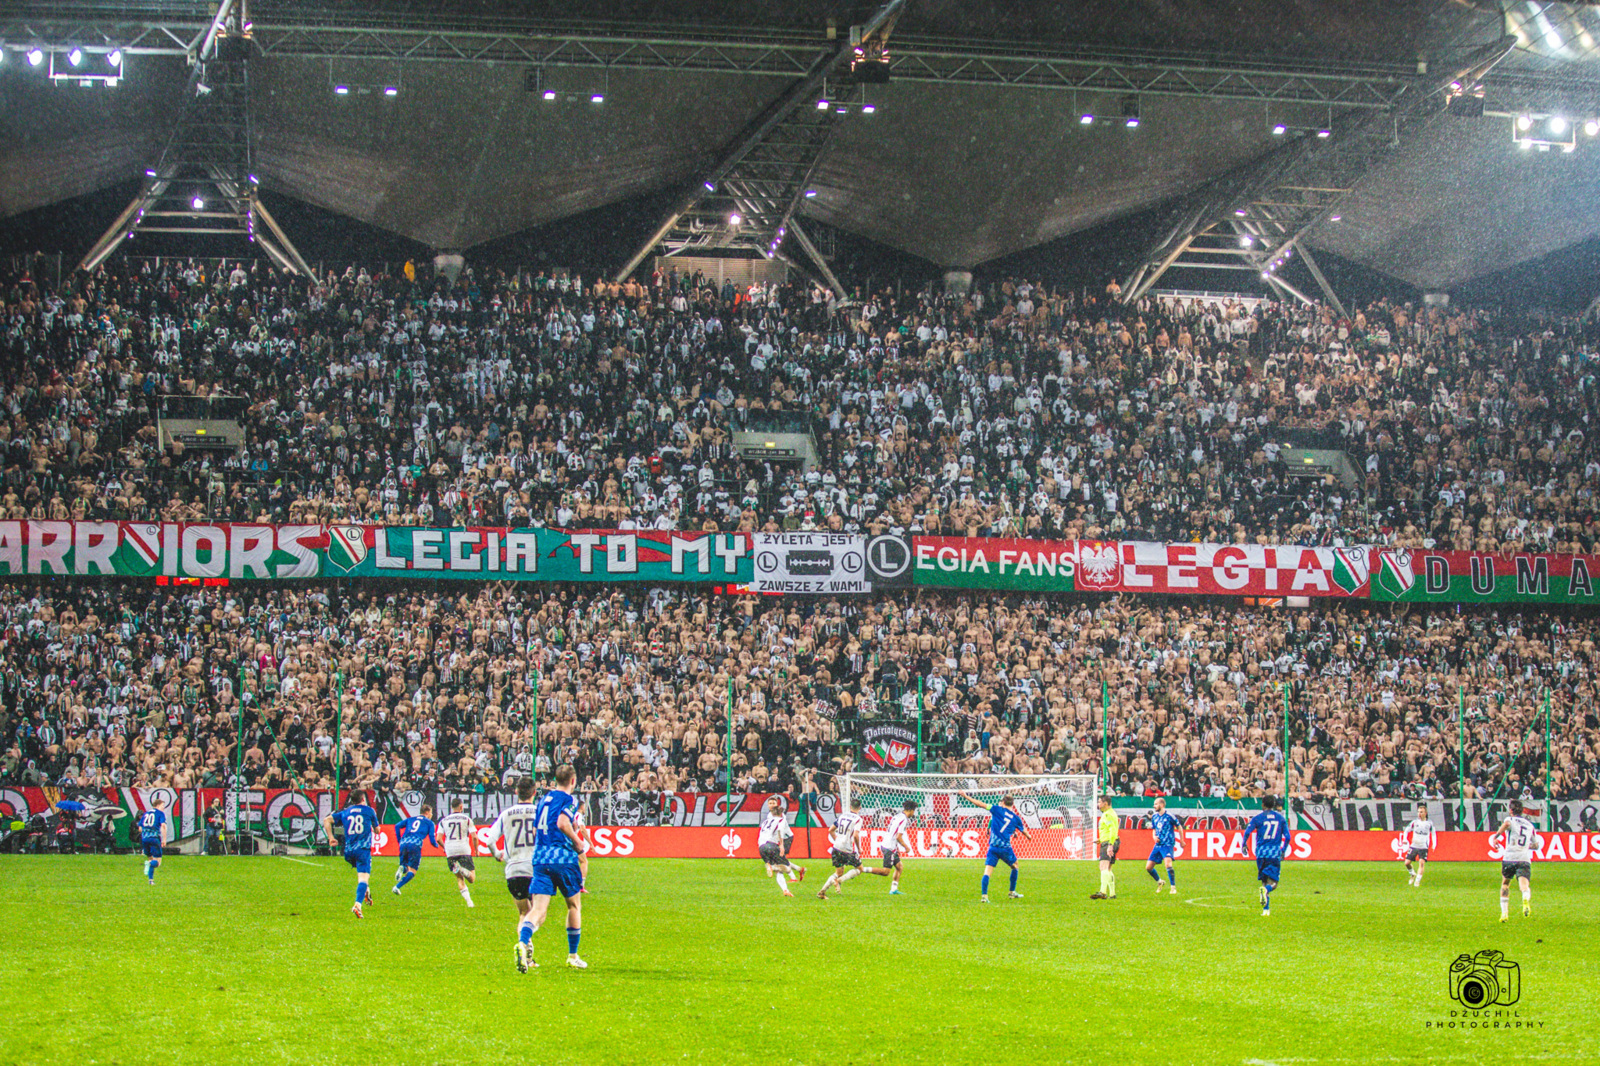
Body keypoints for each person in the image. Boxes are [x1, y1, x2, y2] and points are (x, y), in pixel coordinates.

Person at [528, 765, 588, 968]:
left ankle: (523, 941)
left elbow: (535, 831)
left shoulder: (543, 800)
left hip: (540, 858)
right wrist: (577, 842)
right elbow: (563, 823)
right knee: (574, 905)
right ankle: (572, 956)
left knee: (537, 909)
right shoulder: (570, 800)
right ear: (573, 781)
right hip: (562, 859)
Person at [486, 779, 543, 971]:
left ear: (516, 792)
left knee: (523, 913)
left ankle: (526, 953)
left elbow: (489, 840)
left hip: (514, 870)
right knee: (538, 913)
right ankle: (524, 945)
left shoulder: (506, 814)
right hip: (535, 869)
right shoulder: (539, 812)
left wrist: (497, 855)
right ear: (534, 792)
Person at [956, 791, 1031, 903]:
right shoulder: (1016, 818)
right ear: (1013, 804)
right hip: (1005, 848)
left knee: (987, 872)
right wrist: (1028, 836)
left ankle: (984, 896)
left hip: (993, 847)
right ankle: (1012, 892)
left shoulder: (996, 809)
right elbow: (1023, 830)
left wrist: (966, 796)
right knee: (1015, 866)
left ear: (1003, 802)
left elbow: (980, 804)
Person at [322, 789, 380, 918]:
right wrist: (374, 827)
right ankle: (357, 905)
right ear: (363, 799)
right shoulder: (369, 811)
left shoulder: (346, 812)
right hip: (362, 850)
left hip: (348, 852)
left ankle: (366, 891)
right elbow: (377, 830)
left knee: (362, 875)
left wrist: (331, 837)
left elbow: (326, 820)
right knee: (363, 878)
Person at [1244, 795, 1291, 917]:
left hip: (1260, 853)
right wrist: (1283, 850)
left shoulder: (1258, 818)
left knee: (1264, 880)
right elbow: (1288, 837)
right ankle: (1266, 891)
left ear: (1263, 804)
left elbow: (1247, 831)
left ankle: (1266, 910)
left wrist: (1244, 844)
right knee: (1273, 882)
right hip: (1273, 853)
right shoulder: (1280, 818)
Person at [817, 797, 866, 900]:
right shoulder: (858, 819)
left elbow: (831, 830)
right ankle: (839, 881)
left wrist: (837, 839)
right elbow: (856, 835)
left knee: (838, 872)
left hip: (836, 847)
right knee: (860, 869)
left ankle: (822, 892)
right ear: (860, 808)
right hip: (847, 849)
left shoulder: (842, 816)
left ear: (850, 807)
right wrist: (859, 848)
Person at [1496, 799, 1537, 921]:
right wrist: (1525, 846)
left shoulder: (1510, 820)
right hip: (1523, 858)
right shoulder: (1530, 825)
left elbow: (1507, 825)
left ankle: (1504, 914)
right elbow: (1536, 845)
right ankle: (1525, 899)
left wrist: (1496, 836)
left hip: (1509, 858)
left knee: (1505, 884)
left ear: (1511, 810)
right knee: (1524, 886)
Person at [757, 796, 806, 896]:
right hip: (773, 844)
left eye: (773, 803)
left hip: (761, 846)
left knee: (780, 865)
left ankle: (785, 889)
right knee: (785, 867)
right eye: (770, 803)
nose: (772, 805)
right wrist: (781, 845)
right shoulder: (780, 819)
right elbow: (780, 831)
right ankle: (793, 875)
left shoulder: (766, 821)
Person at [866, 799, 915, 895]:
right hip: (889, 847)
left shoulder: (897, 816)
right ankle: (862, 869)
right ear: (911, 810)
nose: (914, 813)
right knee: (885, 872)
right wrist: (906, 847)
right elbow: (898, 836)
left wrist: (896, 848)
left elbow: (894, 832)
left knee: (899, 866)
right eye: (914, 810)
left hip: (889, 845)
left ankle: (893, 890)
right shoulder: (904, 819)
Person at [439, 798, 477, 908]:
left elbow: (438, 838)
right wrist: (476, 850)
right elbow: (474, 836)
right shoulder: (466, 819)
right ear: (461, 807)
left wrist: (445, 847)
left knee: (459, 879)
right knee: (472, 879)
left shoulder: (444, 820)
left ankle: (469, 902)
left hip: (451, 851)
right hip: (464, 849)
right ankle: (463, 870)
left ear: (452, 807)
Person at [392, 805, 439, 896]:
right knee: (413, 871)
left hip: (404, 843)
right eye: (430, 813)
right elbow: (432, 840)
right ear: (426, 813)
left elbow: (397, 826)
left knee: (406, 866)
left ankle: (402, 867)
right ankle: (397, 887)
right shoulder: (429, 823)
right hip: (415, 844)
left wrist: (399, 840)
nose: (431, 815)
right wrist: (437, 845)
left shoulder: (410, 819)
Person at [1144, 797, 1180, 895]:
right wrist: (1154, 837)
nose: (1154, 806)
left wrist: (1182, 840)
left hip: (1167, 844)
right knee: (1148, 867)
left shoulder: (1169, 816)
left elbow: (1179, 826)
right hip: (1158, 845)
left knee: (1168, 864)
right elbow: (1154, 829)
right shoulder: (1155, 816)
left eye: (1156, 804)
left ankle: (1173, 887)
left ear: (1162, 805)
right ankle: (1160, 882)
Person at [1090, 794, 1119, 900]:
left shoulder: (1108, 815)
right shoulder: (1108, 813)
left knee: (1103, 867)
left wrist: (1110, 844)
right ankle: (1112, 893)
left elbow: (1112, 830)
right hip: (1110, 841)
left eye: (1099, 802)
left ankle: (1102, 891)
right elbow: (1109, 829)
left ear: (1105, 803)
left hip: (1109, 843)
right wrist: (1100, 839)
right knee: (1109, 868)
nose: (1098, 804)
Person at [135, 798, 169, 885]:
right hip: (154, 838)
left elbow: (140, 828)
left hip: (144, 839)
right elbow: (163, 826)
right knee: (157, 863)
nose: (163, 808)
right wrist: (164, 839)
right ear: (158, 806)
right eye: (162, 806)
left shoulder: (146, 813)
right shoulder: (160, 813)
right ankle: (149, 864)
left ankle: (151, 881)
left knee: (151, 859)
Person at [1403, 806, 1436, 888]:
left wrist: (1434, 844)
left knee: (1421, 863)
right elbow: (1406, 830)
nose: (1419, 814)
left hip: (1423, 846)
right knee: (1407, 863)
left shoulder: (1429, 823)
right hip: (1414, 845)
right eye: (1418, 812)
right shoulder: (1415, 822)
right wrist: (1404, 839)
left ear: (1425, 813)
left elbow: (1434, 834)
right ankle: (1412, 874)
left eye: (1421, 812)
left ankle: (1417, 881)